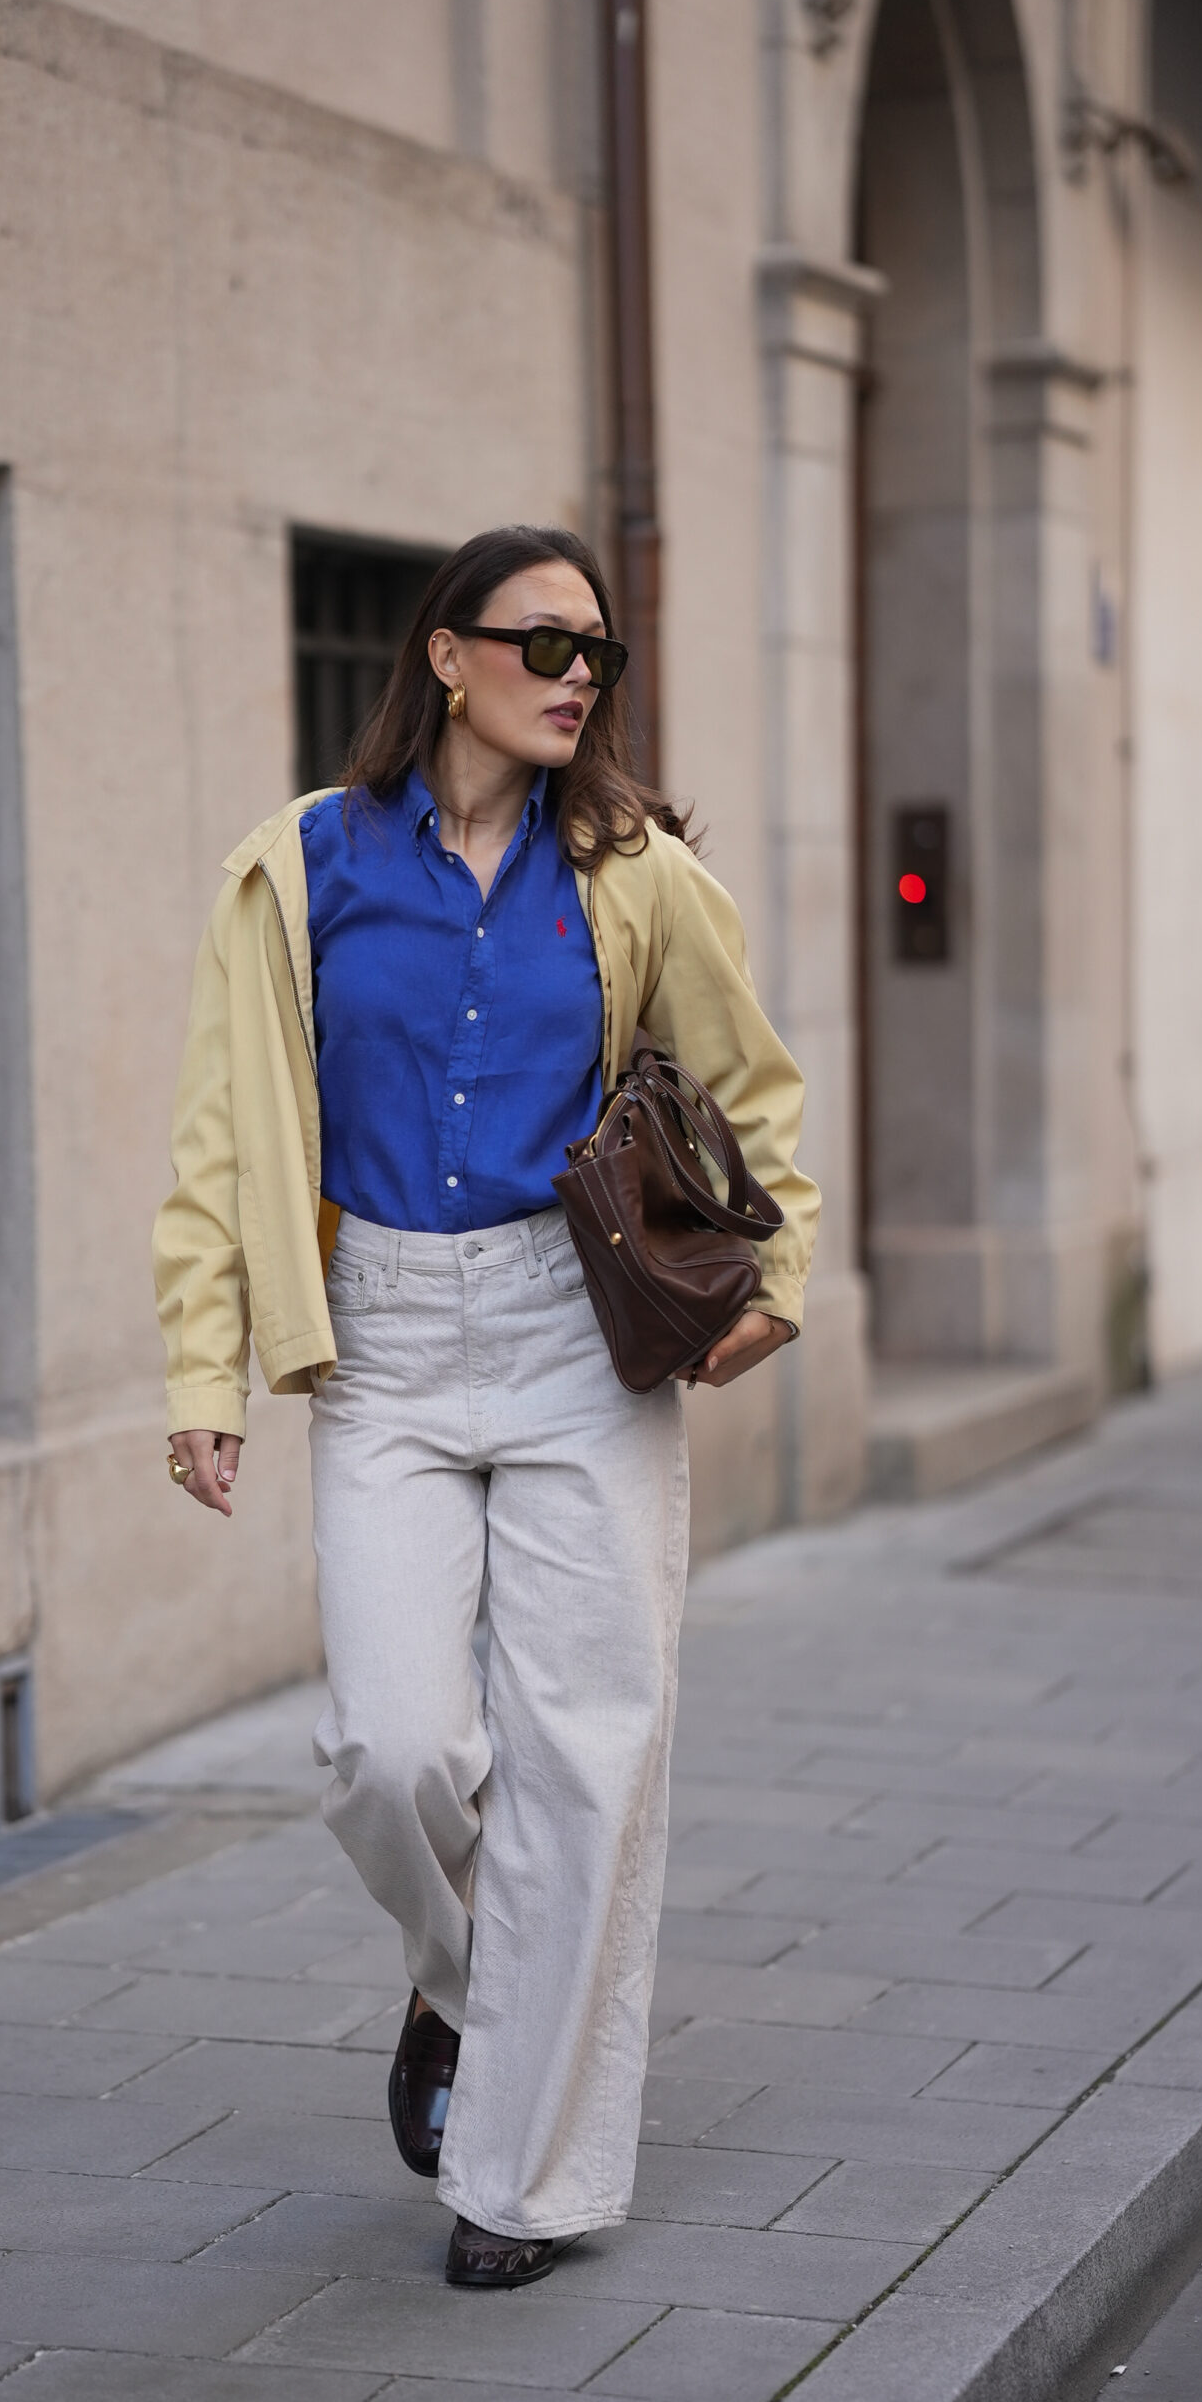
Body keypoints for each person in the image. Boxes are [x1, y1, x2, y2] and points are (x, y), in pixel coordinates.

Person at [153, 525, 817, 2287]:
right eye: (540, 642)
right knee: (390, 1751)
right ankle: (461, 1989)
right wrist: (205, 1368)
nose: (575, 675)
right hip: (377, 1339)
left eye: (597, 649)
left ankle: (522, 2185)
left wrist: (777, 1278)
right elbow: (221, 1141)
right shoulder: (299, 864)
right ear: (444, 656)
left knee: (584, 1760)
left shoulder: (633, 872)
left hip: (572, 1336)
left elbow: (749, 1085)